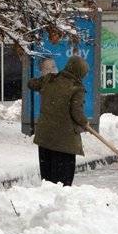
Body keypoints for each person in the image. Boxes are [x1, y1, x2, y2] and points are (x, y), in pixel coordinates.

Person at [28, 54, 87, 186]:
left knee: (48, 181)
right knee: (63, 183)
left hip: (45, 138)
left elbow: (31, 84)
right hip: (64, 142)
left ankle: (47, 204)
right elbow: (77, 113)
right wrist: (85, 123)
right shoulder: (76, 87)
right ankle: (60, 205)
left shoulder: (49, 79)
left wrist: (43, 82)